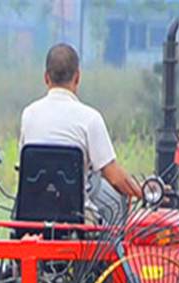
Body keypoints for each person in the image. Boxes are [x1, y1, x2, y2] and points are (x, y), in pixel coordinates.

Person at [19, 43, 142, 223]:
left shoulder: (28, 115)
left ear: (46, 78)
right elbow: (115, 178)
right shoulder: (90, 118)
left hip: (31, 217)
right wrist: (143, 193)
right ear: (77, 78)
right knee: (112, 235)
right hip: (76, 219)